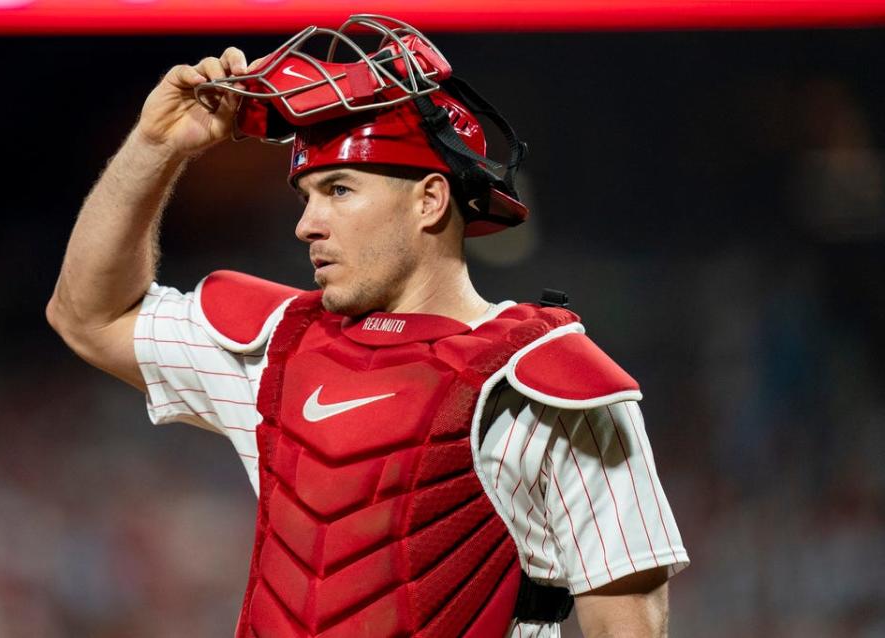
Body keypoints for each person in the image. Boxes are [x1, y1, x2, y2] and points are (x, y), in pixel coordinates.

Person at [47, 15, 688, 638]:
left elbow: (625, 623)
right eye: (307, 196)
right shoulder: (277, 347)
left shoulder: (544, 383)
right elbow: (87, 316)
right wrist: (156, 146)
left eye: (340, 190)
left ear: (430, 201)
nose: (308, 224)